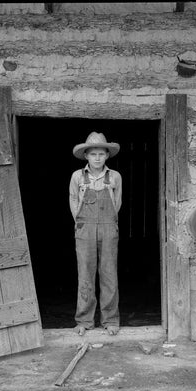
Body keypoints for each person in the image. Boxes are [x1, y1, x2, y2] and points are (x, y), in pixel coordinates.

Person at [69, 132, 122, 336]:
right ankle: (84, 320)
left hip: (108, 227)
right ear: (86, 156)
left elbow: (117, 203)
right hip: (85, 228)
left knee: (109, 274)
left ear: (107, 155)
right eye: (93, 154)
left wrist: (107, 223)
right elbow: (73, 200)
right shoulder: (77, 176)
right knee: (85, 274)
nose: (97, 158)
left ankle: (110, 320)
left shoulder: (115, 176)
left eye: (101, 153)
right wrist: (81, 223)